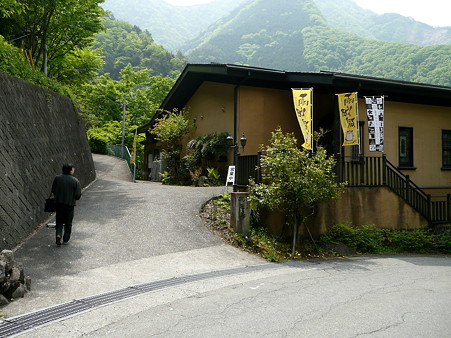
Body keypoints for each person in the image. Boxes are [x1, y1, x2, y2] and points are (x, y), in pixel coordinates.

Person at [51, 164, 81, 246]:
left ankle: (58, 234)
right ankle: (66, 239)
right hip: (69, 205)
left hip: (59, 204)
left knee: (59, 221)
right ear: (70, 170)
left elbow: (53, 189)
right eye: (73, 169)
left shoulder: (57, 178)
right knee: (68, 222)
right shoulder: (75, 181)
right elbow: (78, 195)